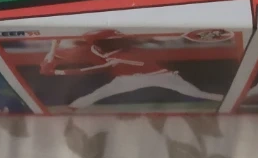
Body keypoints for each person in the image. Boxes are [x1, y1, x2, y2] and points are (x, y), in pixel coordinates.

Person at [39, 29, 224, 108]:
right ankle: (72, 108)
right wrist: (52, 54)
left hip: (159, 76)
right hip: (128, 79)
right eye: (99, 43)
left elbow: (92, 70)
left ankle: (222, 99)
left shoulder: (124, 53)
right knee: (101, 92)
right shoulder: (95, 48)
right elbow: (60, 53)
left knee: (194, 92)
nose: (99, 45)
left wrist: (57, 72)